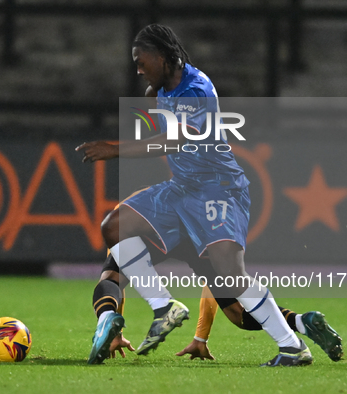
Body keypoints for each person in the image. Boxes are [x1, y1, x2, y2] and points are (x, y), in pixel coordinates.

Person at [77, 23, 312, 367]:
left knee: (230, 275)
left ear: (161, 57)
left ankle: (292, 347)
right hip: (182, 188)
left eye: (142, 62)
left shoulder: (196, 90)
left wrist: (114, 149)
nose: (138, 69)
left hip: (217, 188)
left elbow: (176, 140)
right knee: (113, 226)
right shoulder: (164, 89)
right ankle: (164, 306)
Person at [90, 227, 344, 362]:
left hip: (146, 232)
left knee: (111, 278)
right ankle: (301, 322)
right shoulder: (203, 212)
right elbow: (209, 284)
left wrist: (117, 332)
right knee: (237, 314)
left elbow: (117, 282)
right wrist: (200, 337)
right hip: (197, 234)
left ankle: (107, 319)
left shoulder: (131, 214)